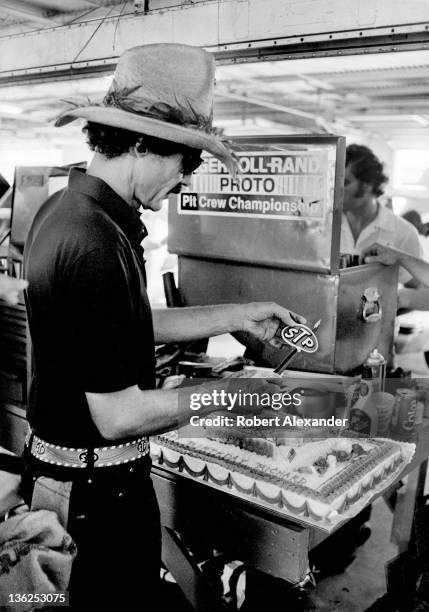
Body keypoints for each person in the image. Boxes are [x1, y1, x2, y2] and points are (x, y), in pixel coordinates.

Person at [22, 44, 305, 609]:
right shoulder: (96, 239)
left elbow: (119, 326)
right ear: (148, 146)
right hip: (94, 499)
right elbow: (118, 415)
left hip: (75, 484)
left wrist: (237, 315)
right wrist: (228, 397)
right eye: (187, 163)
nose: (183, 182)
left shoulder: (70, 209)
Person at [341, 144, 423, 283]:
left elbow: (420, 289)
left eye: (345, 182)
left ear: (366, 186)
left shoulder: (404, 233)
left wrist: (400, 298)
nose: (336, 188)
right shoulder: (324, 227)